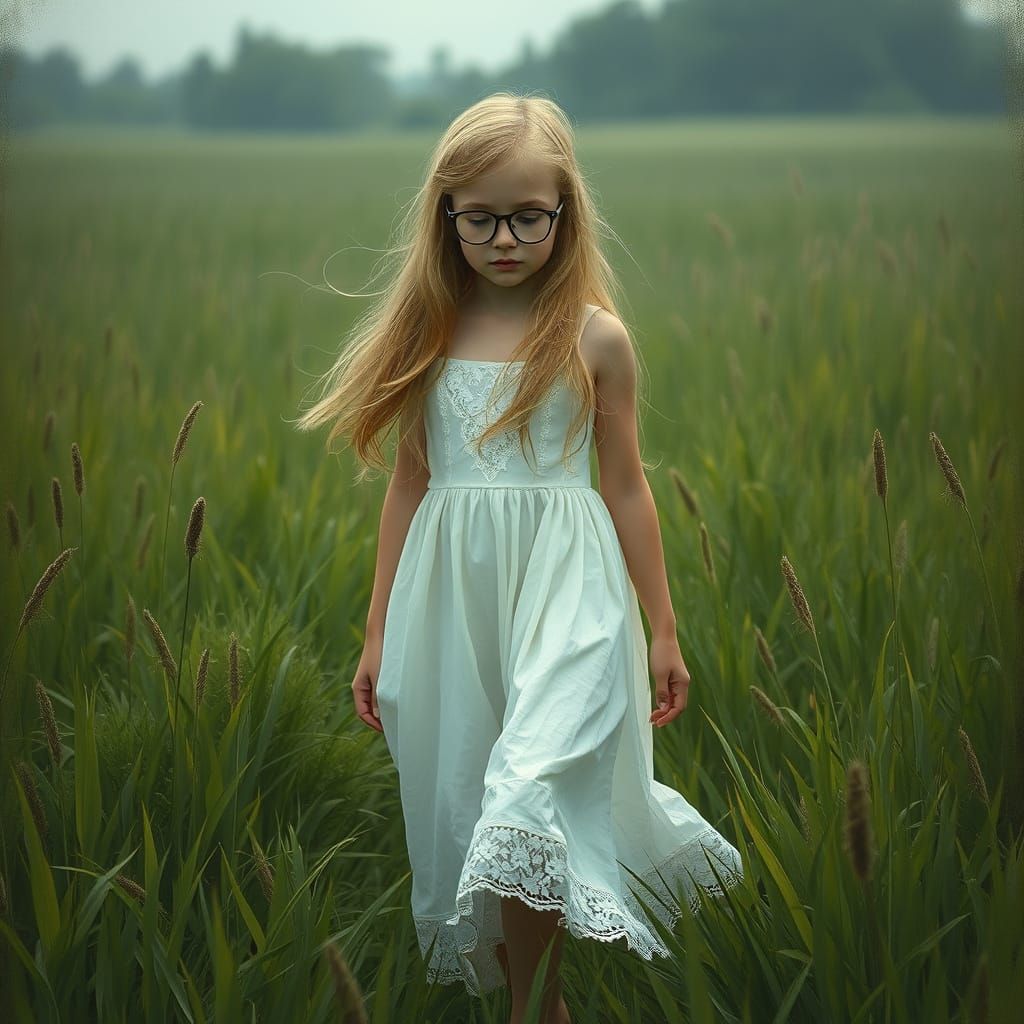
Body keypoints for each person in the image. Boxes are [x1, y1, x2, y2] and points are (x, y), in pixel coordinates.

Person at [297, 92, 744, 1024]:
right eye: (481, 218)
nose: (505, 238)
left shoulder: (594, 337)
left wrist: (663, 626)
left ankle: (535, 1010)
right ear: (446, 215)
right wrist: (376, 633)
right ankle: (541, 1007)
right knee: (472, 794)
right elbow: (409, 485)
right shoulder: (429, 333)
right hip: (452, 600)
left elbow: (626, 486)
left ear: (565, 211)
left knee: (524, 793)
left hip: (570, 591)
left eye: (529, 216)